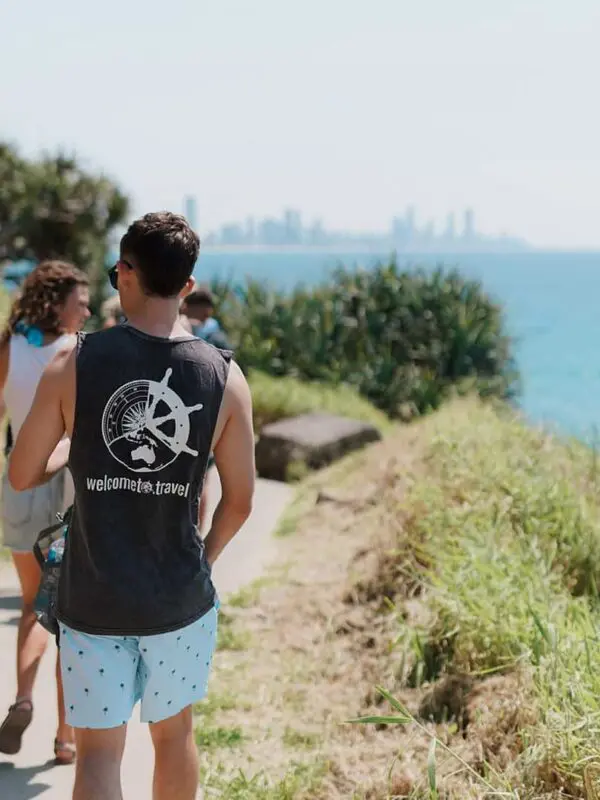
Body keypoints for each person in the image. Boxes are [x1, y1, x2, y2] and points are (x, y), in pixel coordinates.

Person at [9, 212, 255, 800]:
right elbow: (240, 502)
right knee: (174, 738)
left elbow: (20, 474)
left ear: (124, 274)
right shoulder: (225, 377)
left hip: (93, 597)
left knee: (98, 752)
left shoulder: (74, 362)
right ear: (187, 286)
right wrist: (205, 558)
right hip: (178, 596)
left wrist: (75, 444)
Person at [0, 261, 90, 764]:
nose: (88, 311)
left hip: (17, 482)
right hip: (67, 485)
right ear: (57, 302)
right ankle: (65, 736)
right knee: (69, 613)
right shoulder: (77, 354)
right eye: (81, 302)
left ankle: (22, 698)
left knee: (34, 602)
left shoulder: (9, 347)